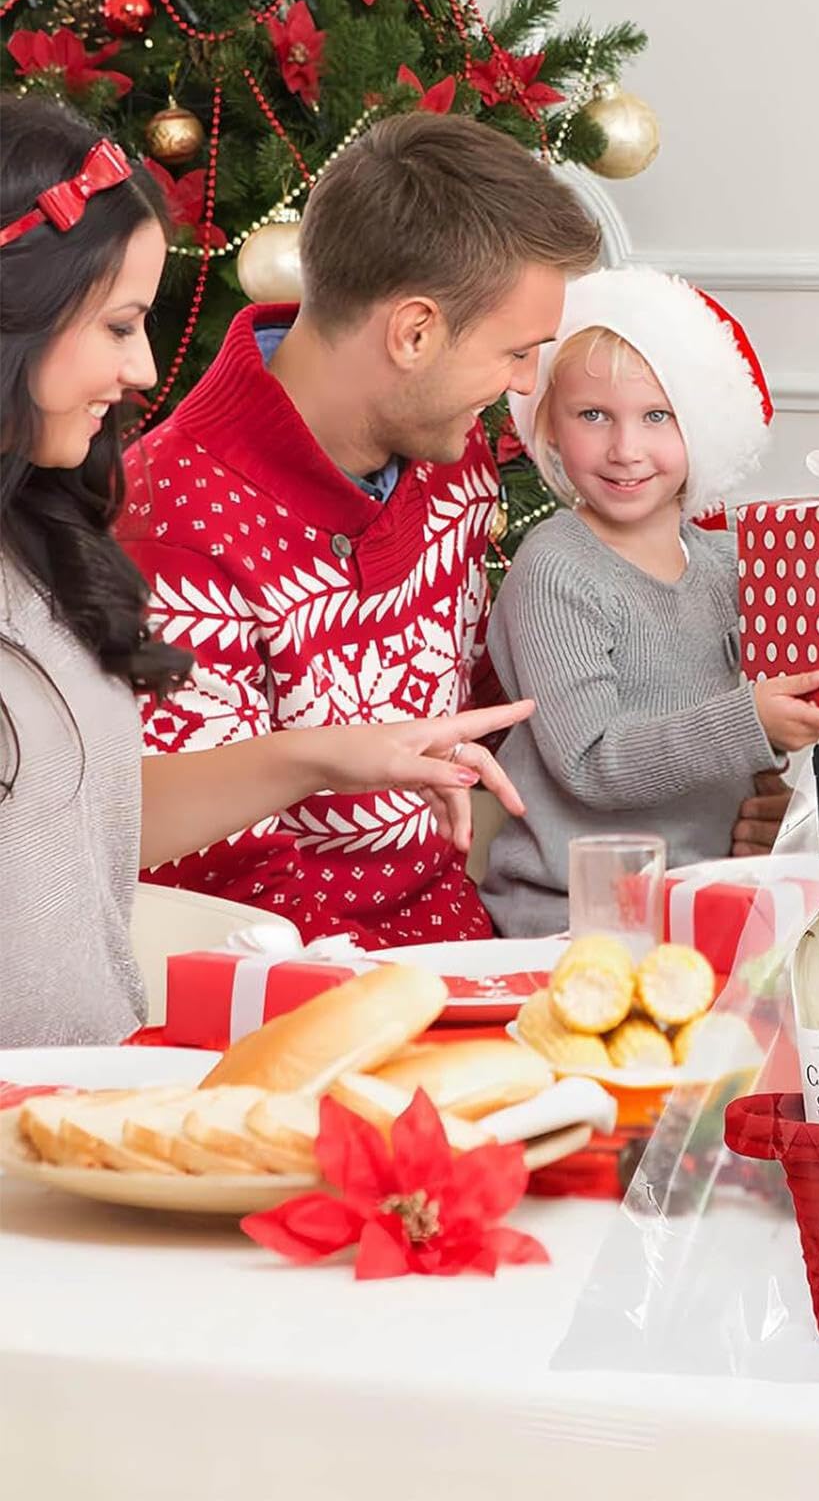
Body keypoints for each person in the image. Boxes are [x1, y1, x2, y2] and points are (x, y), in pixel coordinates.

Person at [0, 96, 531, 1047]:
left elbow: (102, 820)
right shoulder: (164, 516)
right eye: (121, 325)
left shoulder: (41, 550)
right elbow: (210, 891)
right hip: (185, 1058)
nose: (147, 368)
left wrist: (326, 753)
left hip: (104, 1075)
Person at [117, 111, 601, 948]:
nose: (526, 384)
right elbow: (215, 879)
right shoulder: (172, 516)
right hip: (302, 991)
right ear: (413, 333)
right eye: (515, 352)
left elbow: (491, 706)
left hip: (465, 948)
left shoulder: (450, 458)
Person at [480, 267, 819, 937]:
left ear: (704, 426)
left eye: (658, 416)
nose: (626, 450)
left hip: (711, 899)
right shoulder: (556, 566)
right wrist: (747, 722)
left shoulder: (730, 566)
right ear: (549, 425)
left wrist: (778, 809)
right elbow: (589, 762)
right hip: (575, 917)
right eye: (592, 416)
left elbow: (748, 750)